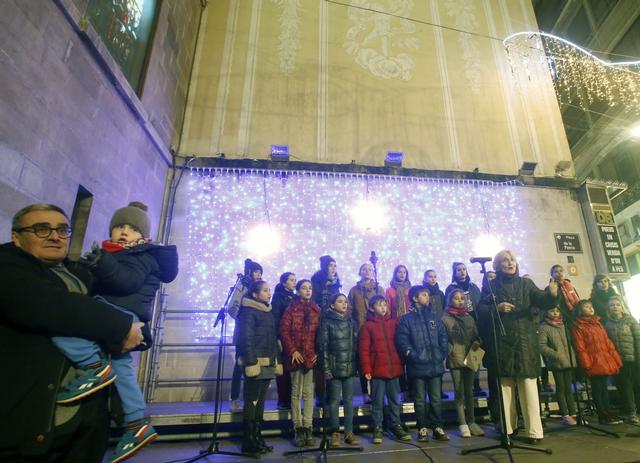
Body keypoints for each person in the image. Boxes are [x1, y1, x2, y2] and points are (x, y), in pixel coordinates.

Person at [0, 203, 144, 463]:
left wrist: (139, 331)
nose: (54, 236)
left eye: (62, 230)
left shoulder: (78, 272)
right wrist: (122, 326)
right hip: (32, 422)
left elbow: (109, 306)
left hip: (87, 425)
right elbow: (52, 305)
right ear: (16, 236)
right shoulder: (8, 266)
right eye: (41, 229)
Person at [50, 202, 178, 463]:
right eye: (119, 226)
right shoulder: (119, 254)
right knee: (121, 369)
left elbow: (126, 282)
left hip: (117, 312)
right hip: (122, 313)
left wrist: (103, 263)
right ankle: (137, 423)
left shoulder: (140, 256)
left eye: (132, 228)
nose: (124, 232)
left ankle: (93, 366)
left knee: (59, 324)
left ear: (142, 236)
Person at [477, 250, 558, 445]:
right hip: (502, 344)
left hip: (524, 343)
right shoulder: (491, 286)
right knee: (505, 389)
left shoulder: (526, 284)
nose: (510, 263)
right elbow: (481, 310)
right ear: (497, 266)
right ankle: (508, 429)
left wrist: (553, 294)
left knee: (528, 388)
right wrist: (496, 308)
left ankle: (534, 431)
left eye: (512, 259)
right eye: (505, 261)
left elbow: (542, 300)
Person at [396, 285, 449, 442]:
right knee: (419, 400)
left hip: (435, 365)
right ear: (415, 298)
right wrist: (412, 355)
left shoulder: (434, 317)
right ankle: (422, 428)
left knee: (436, 399)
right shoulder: (406, 319)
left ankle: (437, 427)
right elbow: (402, 340)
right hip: (417, 366)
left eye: (428, 295)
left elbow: (443, 336)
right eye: (424, 295)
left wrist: (441, 354)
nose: (428, 297)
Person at [237, 280, 282, 456]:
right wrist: (251, 362)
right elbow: (245, 339)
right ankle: (248, 441)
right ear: (255, 294)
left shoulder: (267, 312)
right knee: (252, 401)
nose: (269, 293)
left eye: (269, 290)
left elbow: (272, 339)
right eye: (265, 290)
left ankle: (257, 436)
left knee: (261, 402)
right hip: (255, 363)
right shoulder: (248, 312)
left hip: (267, 362)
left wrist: (276, 359)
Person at [359, 295, 411, 444]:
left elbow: (400, 343)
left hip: (393, 368)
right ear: (371, 308)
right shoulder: (367, 326)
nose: (383, 307)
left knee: (394, 400)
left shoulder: (394, 323)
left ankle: (396, 425)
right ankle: (377, 427)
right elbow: (364, 350)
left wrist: (402, 362)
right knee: (377, 402)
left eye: (384, 304)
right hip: (377, 371)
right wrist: (367, 369)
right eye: (379, 305)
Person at [280, 279, 321, 447]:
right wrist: (293, 351)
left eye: (310, 288)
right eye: (304, 288)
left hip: (311, 356)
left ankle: (308, 427)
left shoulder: (316, 309)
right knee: (296, 393)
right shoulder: (291, 308)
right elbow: (284, 331)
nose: (308, 290)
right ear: (298, 291)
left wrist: (318, 352)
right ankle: (298, 428)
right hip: (295, 357)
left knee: (309, 393)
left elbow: (320, 333)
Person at [317, 293, 359, 448]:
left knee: (349, 400)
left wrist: (356, 365)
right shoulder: (327, 322)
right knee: (334, 401)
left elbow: (355, 346)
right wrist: (326, 368)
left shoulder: (352, 323)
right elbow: (323, 347)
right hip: (334, 368)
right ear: (332, 305)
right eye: (340, 301)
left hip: (349, 367)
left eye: (345, 302)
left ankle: (349, 432)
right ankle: (335, 432)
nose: (344, 304)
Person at [442, 288, 485, 437]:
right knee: (459, 392)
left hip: (471, 355)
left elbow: (476, 335)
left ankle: (472, 421)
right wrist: (450, 349)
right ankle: (462, 422)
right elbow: (444, 339)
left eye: (462, 298)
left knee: (469, 391)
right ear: (450, 301)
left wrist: (478, 341)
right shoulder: (445, 319)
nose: (460, 300)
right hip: (456, 356)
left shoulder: (469, 317)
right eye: (456, 298)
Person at [572, 299, 623, 425]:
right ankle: (602, 414)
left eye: (591, 306)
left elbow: (607, 342)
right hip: (593, 362)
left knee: (604, 389)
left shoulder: (597, 324)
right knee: (597, 390)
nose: (591, 308)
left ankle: (608, 411)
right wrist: (587, 364)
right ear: (580, 311)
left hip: (603, 361)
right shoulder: (578, 326)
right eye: (586, 307)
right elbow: (580, 347)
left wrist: (615, 359)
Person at [228, 259, 263, 412]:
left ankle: (250, 401)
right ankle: (235, 400)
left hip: (257, 335)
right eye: (256, 272)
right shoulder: (241, 287)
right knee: (239, 367)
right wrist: (243, 319)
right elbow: (232, 308)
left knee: (254, 366)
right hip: (243, 333)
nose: (259, 275)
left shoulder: (260, 288)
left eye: (260, 272)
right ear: (249, 272)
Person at [445, 262, 484, 397]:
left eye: (464, 269)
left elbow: (479, 304)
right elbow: (448, 305)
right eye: (459, 270)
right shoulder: (451, 288)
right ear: (454, 273)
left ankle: (476, 383)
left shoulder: (473, 287)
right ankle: (465, 386)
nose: (462, 272)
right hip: (458, 323)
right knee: (461, 355)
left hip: (473, 321)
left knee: (475, 352)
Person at [348, 262, 385, 402]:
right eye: (364, 269)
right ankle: (365, 392)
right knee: (364, 361)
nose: (367, 271)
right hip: (360, 330)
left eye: (370, 269)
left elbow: (385, 307)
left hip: (378, 329)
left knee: (377, 360)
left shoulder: (379, 289)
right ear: (360, 272)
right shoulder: (354, 290)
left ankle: (377, 392)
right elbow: (350, 310)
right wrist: (354, 327)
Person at [538, 306, 577, 426]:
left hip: (568, 360)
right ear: (546, 312)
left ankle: (574, 413)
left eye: (557, 311)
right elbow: (541, 345)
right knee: (561, 388)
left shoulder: (564, 325)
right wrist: (556, 354)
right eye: (552, 311)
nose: (555, 313)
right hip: (557, 362)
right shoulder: (544, 327)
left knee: (569, 388)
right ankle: (565, 414)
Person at [605, 296, 640, 424]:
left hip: (634, 359)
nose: (615, 307)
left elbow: (638, 339)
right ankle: (631, 412)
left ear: (622, 306)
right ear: (608, 308)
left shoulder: (630, 321)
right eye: (612, 305)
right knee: (625, 387)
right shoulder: (607, 324)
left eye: (617, 304)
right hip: (619, 361)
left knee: (637, 385)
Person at [271, 272, 296, 410]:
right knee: (284, 371)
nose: (294, 282)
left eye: (295, 280)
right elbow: (276, 319)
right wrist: (277, 338)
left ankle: (292, 398)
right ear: (284, 282)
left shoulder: (295, 297)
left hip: (294, 338)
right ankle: (283, 400)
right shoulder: (278, 298)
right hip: (283, 337)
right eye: (291, 280)